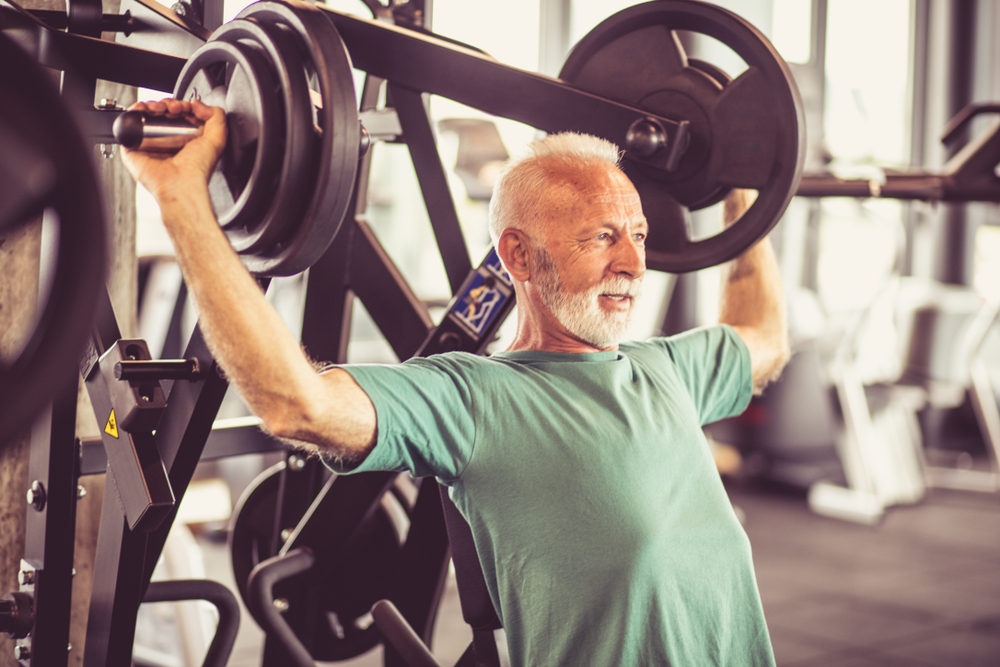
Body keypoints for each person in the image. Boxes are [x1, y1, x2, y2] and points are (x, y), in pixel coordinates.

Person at [122, 97, 789, 666]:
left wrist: (741, 191)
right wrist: (182, 198)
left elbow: (763, 340)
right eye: (602, 237)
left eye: (639, 234)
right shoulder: (471, 398)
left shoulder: (667, 367)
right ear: (518, 256)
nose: (637, 262)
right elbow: (295, 403)